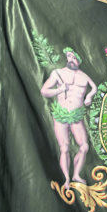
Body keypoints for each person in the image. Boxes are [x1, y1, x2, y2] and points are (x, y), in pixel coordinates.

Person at [41, 47, 97, 190]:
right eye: (69, 56)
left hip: (76, 115)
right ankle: (66, 178)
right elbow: (44, 91)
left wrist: (89, 97)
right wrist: (59, 90)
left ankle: (76, 174)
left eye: (73, 57)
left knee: (84, 146)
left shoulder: (84, 76)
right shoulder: (58, 73)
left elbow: (94, 87)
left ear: (78, 59)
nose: (71, 59)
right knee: (64, 147)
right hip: (61, 114)